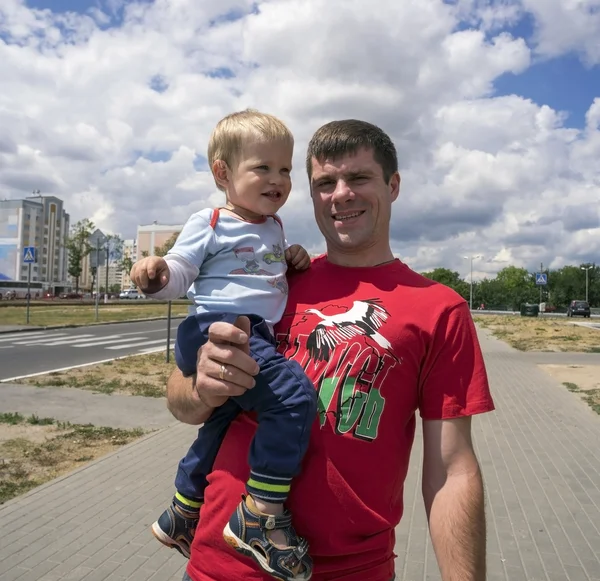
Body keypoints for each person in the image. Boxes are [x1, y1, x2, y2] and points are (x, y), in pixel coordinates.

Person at [166, 118, 496, 581]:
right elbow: (181, 401)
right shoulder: (272, 286)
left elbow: (451, 470)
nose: (341, 194)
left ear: (393, 185)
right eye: (325, 183)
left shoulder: (439, 309)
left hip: (350, 571)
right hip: (216, 566)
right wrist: (202, 389)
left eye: (359, 177)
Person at [130, 109, 317, 581]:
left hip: (251, 330)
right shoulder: (211, 220)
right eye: (263, 168)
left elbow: (268, 272)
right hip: (219, 326)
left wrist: (291, 258)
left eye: (286, 170)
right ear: (223, 172)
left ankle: (182, 510)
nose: (278, 180)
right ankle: (261, 511)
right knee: (293, 398)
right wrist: (156, 276)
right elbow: (182, 269)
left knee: (227, 418)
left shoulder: (273, 226)